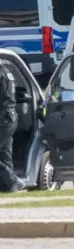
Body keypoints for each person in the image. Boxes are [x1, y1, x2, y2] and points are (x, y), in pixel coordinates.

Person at [0, 58, 21, 193]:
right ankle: (10, 187)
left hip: (2, 117)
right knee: (5, 155)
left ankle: (13, 180)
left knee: (5, 154)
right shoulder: (7, 71)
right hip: (10, 117)